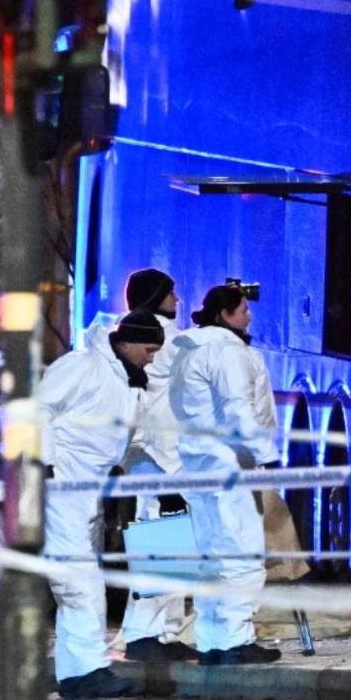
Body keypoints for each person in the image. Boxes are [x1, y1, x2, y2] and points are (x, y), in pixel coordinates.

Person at [39, 310, 164, 699]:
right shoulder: (81, 367)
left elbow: (132, 444)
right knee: (78, 581)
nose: (152, 357)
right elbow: (35, 410)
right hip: (61, 484)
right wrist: (40, 466)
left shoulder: (128, 382)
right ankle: (85, 672)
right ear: (127, 343)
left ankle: (81, 672)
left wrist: (162, 481)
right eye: (148, 348)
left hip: (85, 492)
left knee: (81, 578)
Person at [168, 284, 281, 665]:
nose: (249, 316)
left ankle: (213, 640)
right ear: (225, 314)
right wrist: (268, 457)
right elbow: (238, 409)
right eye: (243, 309)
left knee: (212, 558)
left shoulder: (188, 351)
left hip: (198, 465)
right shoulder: (228, 352)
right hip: (233, 465)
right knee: (243, 555)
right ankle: (234, 640)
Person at [118, 267, 197, 662]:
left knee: (172, 544)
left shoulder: (157, 338)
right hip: (157, 458)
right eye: (171, 294)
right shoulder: (161, 340)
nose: (178, 301)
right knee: (160, 543)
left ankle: (163, 633)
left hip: (164, 457)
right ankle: (144, 634)